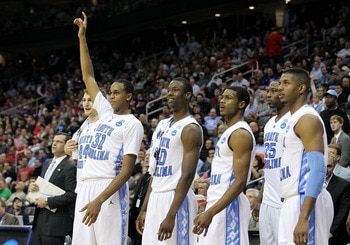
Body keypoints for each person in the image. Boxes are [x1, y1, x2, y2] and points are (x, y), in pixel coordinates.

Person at [72, 12, 144, 245]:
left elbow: (126, 171)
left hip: (108, 190)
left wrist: (100, 199)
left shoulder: (132, 124)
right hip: (84, 184)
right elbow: (88, 76)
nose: (110, 96)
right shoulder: (103, 110)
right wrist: (82, 37)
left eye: (116, 93)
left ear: (129, 96)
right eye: (110, 92)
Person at [136, 77, 203, 244]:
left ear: (187, 95)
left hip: (176, 198)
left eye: (175, 90)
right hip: (156, 196)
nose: (170, 94)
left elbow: (187, 176)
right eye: (169, 90)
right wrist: (144, 209)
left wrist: (171, 214)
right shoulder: (162, 125)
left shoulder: (191, 128)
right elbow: (154, 172)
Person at [193, 86, 255, 244]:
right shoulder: (229, 131)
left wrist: (211, 212)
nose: (222, 100)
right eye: (222, 97)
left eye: (228, 98)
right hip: (218, 204)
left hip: (229, 207)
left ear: (241, 104)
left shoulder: (240, 134)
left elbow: (240, 182)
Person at [278, 68, 333, 244]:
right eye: (280, 83)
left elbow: (318, 169)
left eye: (286, 83)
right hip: (292, 199)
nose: (280, 87)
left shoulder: (307, 119)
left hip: (305, 200)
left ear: (301, 88)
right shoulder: (293, 119)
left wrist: (303, 217)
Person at [255, 79, 290, 244]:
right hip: (268, 199)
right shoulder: (269, 124)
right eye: (268, 91)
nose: (268, 95)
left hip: (286, 199)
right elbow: (270, 166)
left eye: (273, 91)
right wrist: (260, 199)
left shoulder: (295, 120)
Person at [28, 132, 76, 245]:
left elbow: (71, 195)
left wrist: (47, 201)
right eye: (53, 141)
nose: (54, 144)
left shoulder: (70, 167)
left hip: (55, 225)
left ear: (67, 145)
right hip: (39, 221)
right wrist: (33, 187)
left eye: (58, 142)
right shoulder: (47, 163)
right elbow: (44, 187)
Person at [325, 153, 350, 245]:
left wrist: (331, 233)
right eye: (323, 166)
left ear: (335, 166)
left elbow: (342, 213)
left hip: (335, 236)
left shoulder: (344, 185)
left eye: (329, 166)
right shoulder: (309, 184)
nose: (325, 170)